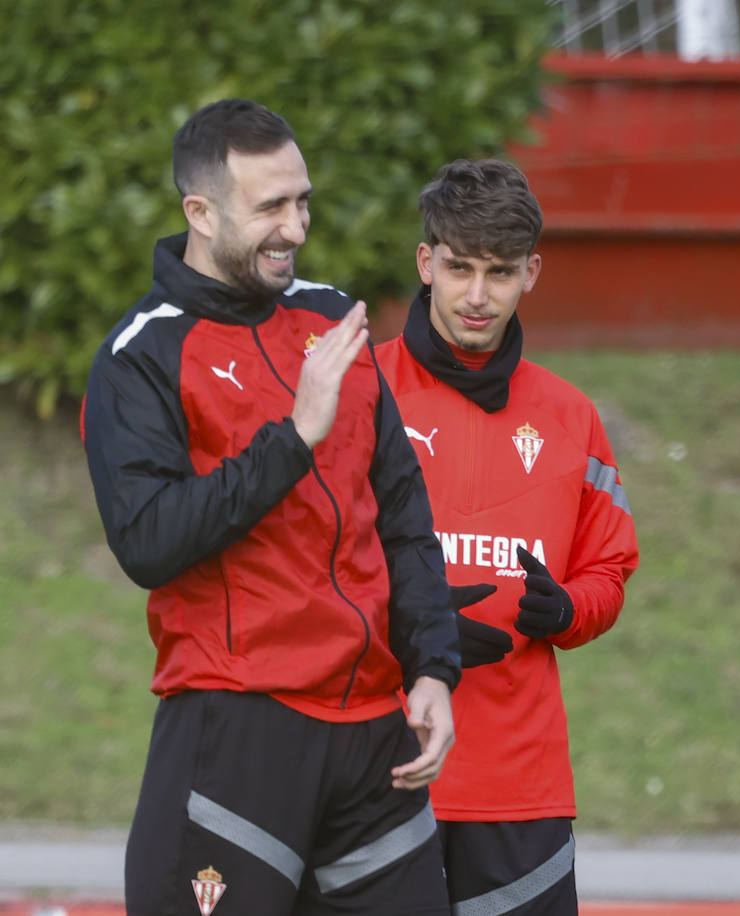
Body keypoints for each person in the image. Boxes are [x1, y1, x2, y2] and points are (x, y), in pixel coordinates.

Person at [82, 99, 475, 915]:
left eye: (302, 201)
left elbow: (401, 513)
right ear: (201, 211)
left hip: (375, 738)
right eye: (270, 207)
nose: (295, 228)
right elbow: (149, 541)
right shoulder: (142, 354)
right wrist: (293, 436)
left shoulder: (333, 318)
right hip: (237, 727)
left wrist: (434, 665)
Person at [374, 158, 639, 915]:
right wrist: (406, 625)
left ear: (533, 271)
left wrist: (570, 610)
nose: (478, 296)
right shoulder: (363, 389)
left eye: (500, 271)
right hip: (377, 768)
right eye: (459, 268)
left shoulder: (571, 416)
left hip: (520, 788)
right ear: (426, 264)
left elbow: (608, 570)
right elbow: (304, 566)